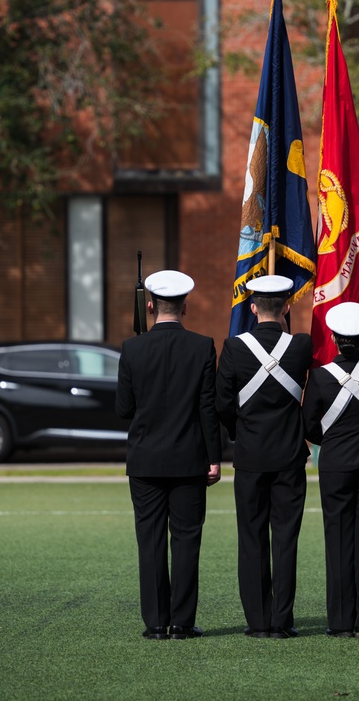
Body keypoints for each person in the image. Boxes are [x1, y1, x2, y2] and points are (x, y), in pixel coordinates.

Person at [115, 269, 222, 641]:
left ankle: (155, 623)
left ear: (150, 306)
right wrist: (214, 457)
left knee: (151, 541)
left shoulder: (132, 349)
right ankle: (181, 622)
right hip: (189, 458)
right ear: (185, 306)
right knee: (186, 541)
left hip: (145, 460)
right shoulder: (202, 345)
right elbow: (208, 409)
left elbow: (124, 409)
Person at [215, 274, 312, 639]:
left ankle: (258, 621)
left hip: (251, 455)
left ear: (252, 308)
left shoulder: (234, 347)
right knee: (286, 539)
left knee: (252, 539)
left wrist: (240, 433)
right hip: (289, 456)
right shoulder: (301, 345)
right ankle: (282, 620)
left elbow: (223, 403)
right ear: (287, 306)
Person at [303, 301, 359, 638]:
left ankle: (340, 621)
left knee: (338, 539)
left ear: (335, 338)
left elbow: (310, 425)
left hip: (336, 464)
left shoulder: (320, 377)